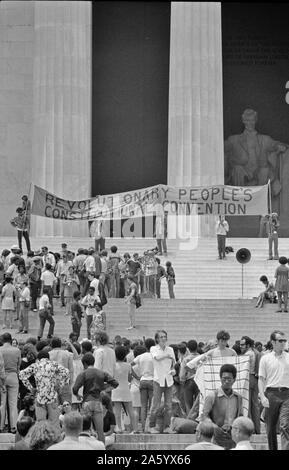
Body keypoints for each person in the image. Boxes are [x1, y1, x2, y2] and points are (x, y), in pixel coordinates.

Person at [224, 108, 287, 187]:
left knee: (264, 171)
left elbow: (274, 144)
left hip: (259, 172)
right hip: (241, 173)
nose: (250, 123)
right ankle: (239, 196)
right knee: (237, 169)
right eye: (247, 120)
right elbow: (220, 148)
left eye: (252, 120)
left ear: (255, 121)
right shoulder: (234, 140)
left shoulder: (264, 139)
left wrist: (279, 146)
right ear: (243, 121)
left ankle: (262, 196)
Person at [73, 352, 118, 443]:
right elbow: (115, 383)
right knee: (100, 432)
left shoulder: (83, 374)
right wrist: (104, 389)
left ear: (84, 363)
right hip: (98, 403)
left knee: (85, 431)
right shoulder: (101, 373)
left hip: (87, 402)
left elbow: (75, 388)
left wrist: (77, 396)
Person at [19, 350, 70, 428]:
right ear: (48, 358)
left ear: (38, 358)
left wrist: (31, 388)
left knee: (40, 422)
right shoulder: (54, 364)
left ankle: (41, 438)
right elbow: (66, 372)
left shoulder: (35, 365)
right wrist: (60, 385)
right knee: (54, 421)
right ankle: (55, 438)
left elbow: (21, 374)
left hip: (40, 397)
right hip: (52, 396)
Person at [258, 330, 289, 450]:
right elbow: (261, 379)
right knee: (270, 427)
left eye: (284, 340)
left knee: (285, 425)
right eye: (280, 340)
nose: (283, 343)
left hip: (287, 394)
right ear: (273, 342)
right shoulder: (265, 359)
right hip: (271, 394)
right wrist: (262, 396)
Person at [201, 364, 243, 450]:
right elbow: (204, 416)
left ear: (234, 380)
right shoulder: (212, 396)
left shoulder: (238, 397)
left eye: (229, 379)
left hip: (232, 438)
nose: (226, 381)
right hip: (216, 437)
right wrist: (214, 427)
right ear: (220, 379)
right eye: (224, 378)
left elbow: (240, 417)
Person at [149, 330, 176, 434]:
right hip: (158, 380)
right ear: (157, 339)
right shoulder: (154, 348)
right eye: (161, 337)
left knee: (169, 405)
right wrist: (167, 355)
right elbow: (157, 358)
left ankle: (167, 427)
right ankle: (152, 426)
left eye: (165, 336)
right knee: (155, 405)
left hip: (169, 379)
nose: (163, 339)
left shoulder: (171, 349)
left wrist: (174, 370)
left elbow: (173, 363)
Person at [131, 337, 155, 432]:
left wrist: (136, 376)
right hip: (153, 380)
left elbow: (130, 365)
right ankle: (150, 427)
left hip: (143, 380)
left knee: (143, 406)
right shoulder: (155, 355)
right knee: (152, 406)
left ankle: (143, 427)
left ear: (145, 346)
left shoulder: (141, 356)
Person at [111, 345, 137, 433]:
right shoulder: (128, 365)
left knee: (117, 412)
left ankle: (118, 428)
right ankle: (135, 429)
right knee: (130, 411)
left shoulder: (113, 365)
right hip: (125, 388)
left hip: (116, 389)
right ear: (125, 355)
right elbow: (130, 378)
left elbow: (111, 377)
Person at [0, 332, 21, 433]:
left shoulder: (0, 350)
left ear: (2, 340)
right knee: (13, 403)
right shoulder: (17, 350)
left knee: (2, 403)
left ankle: (1, 426)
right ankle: (14, 426)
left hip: (2, 377)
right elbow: (18, 365)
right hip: (13, 376)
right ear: (10, 339)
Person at [239, 336, 260, 434]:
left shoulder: (247, 354)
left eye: (243, 344)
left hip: (249, 379)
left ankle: (250, 429)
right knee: (254, 406)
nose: (241, 346)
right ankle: (256, 429)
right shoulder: (254, 352)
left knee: (248, 405)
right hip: (254, 379)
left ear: (247, 345)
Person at [49, 337, 74, 403]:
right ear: (60, 345)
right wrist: (71, 383)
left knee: (54, 408)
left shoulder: (48, 354)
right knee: (66, 406)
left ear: (51, 345)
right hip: (65, 382)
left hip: (52, 383)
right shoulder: (68, 354)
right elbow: (71, 370)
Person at [179, 339, 199, 414]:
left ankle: (189, 420)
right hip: (198, 381)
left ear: (188, 348)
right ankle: (197, 419)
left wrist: (182, 380)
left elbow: (182, 373)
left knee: (188, 403)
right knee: (198, 403)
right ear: (197, 347)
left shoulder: (186, 359)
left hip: (189, 382)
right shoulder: (201, 357)